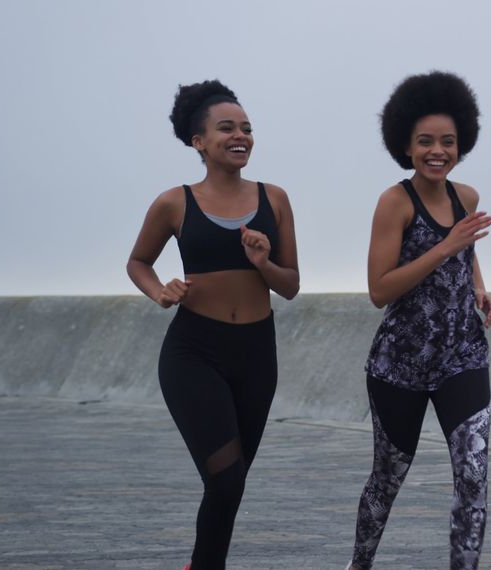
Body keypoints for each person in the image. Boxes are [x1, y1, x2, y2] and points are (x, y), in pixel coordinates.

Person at [126, 79, 299, 570]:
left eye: (246, 128)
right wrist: (160, 290)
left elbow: (290, 285)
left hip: (256, 354)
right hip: (194, 351)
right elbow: (138, 261)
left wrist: (264, 264)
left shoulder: (275, 198)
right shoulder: (173, 202)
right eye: (226, 128)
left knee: (233, 481)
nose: (240, 135)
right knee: (224, 478)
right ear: (198, 141)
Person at [349, 71, 491, 570]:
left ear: (462, 145)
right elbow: (379, 289)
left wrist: (476, 284)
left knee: (473, 476)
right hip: (400, 364)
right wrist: (449, 244)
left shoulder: (466, 198)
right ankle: (360, 564)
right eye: (426, 142)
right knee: (386, 480)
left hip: (463, 355)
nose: (439, 151)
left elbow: (465, 252)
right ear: (406, 146)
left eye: (448, 142)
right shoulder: (395, 203)